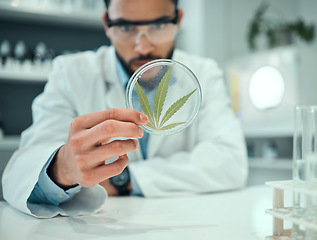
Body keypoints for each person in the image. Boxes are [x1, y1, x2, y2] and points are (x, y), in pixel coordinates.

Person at [2, 0, 248, 218]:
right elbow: (19, 176)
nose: (142, 47)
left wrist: (123, 179)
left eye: (159, 25)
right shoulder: (70, 73)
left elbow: (231, 162)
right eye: (126, 27)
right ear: (107, 25)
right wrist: (62, 168)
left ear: (178, 20)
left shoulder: (204, 74)